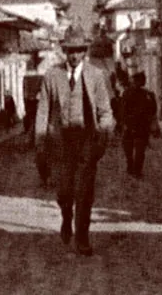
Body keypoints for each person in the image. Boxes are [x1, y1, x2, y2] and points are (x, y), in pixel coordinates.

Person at [35, 26, 115, 256]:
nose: (74, 55)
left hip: (86, 143)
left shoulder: (96, 76)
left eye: (78, 50)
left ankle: (82, 238)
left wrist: (103, 137)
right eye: (70, 50)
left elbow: (105, 112)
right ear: (64, 50)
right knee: (64, 191)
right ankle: (66, 215)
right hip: (60, 144)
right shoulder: (52, 76)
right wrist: (41, 143)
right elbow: (43, 111)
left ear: (84, 52)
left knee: (85, 194)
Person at [121, 71, 157, 178]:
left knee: (135, 149)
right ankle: (134, 168)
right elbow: (153, 110)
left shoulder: (130, 93)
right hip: (137, 125)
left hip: (136, 125)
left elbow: (152, 110)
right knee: (135, 149)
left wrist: (124, 122)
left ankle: (134, 168)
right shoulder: (146, 94)